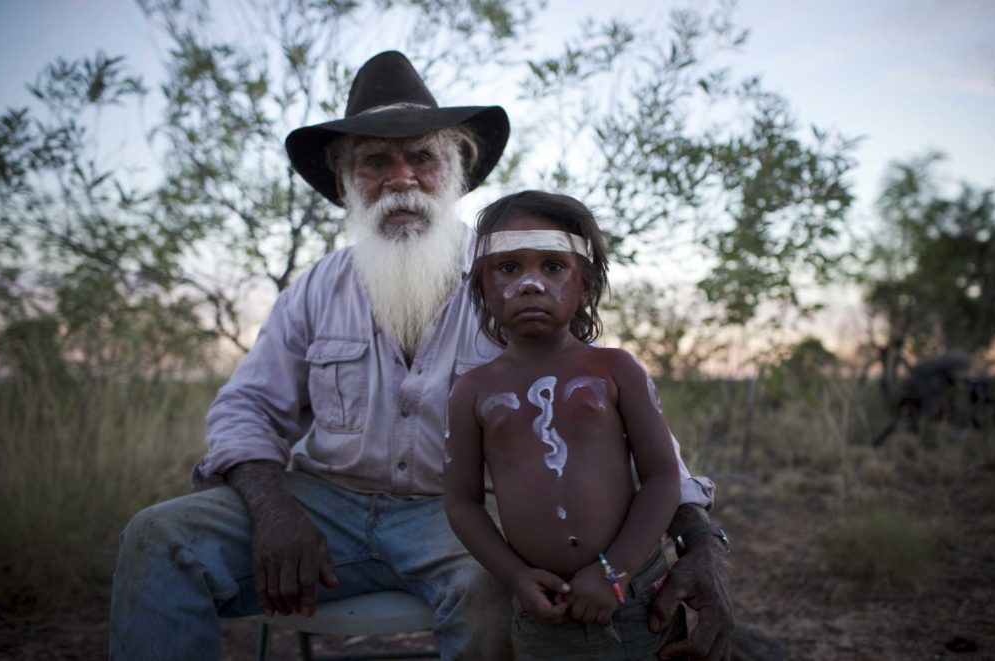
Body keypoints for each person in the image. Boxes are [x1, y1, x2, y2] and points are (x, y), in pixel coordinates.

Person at [109, 51, 733, 661]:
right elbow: (245, 409)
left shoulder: (513, 282)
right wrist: (274, 512)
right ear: (347, 182)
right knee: (158, 539)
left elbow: (609, 415)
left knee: (506, 583)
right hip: (321, 502)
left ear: (456, 170)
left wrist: (699, 536)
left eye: (423, 158)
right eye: (376, 161)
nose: (401, 179)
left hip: (457, 518)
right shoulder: (317, 288)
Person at [445, 190, 687, 658]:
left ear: (584, 286)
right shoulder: (472, 390)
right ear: (482, 287)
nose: (531, 284)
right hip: (541, 608)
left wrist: (615, 571)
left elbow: (662, 478)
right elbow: (461, 502)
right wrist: (515, 576)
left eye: (553, 267)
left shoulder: (618, 371)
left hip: (633, 600)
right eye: (509, 268)